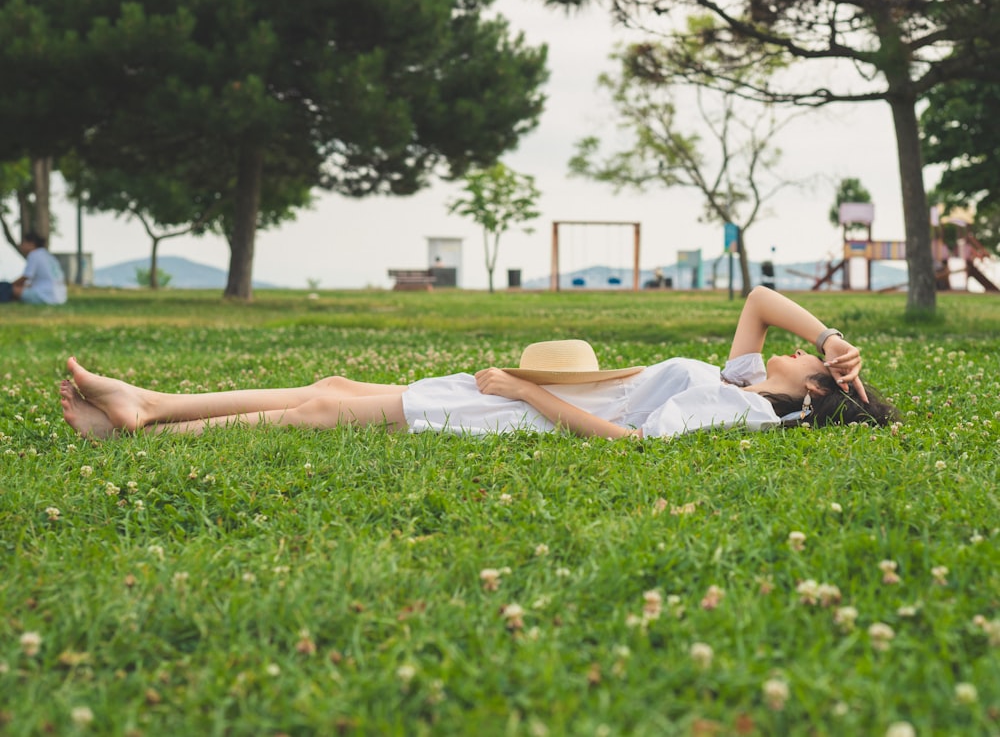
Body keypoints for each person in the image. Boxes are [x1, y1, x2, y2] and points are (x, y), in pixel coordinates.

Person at [60, 286, 898, 441]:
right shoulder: (750, 380)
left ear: (816, 391)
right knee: (334, 386)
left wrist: (524, 389)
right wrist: (829, 337)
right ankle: (150, 400)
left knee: (327, 411)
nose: (788, 349)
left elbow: (628, 442)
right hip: (523, 392)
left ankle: (149, 421)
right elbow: (757, 299)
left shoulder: (745, 409)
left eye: (806, 355)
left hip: (516, 409)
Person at [1, 231, 67, 305]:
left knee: (7, 288)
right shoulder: (48, 255)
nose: (21, 245)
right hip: (60, 296)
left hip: (47, 295)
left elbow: (26, 277)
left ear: (31, 243)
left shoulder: (34, 255)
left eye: (24, 243)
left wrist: (10, 285)